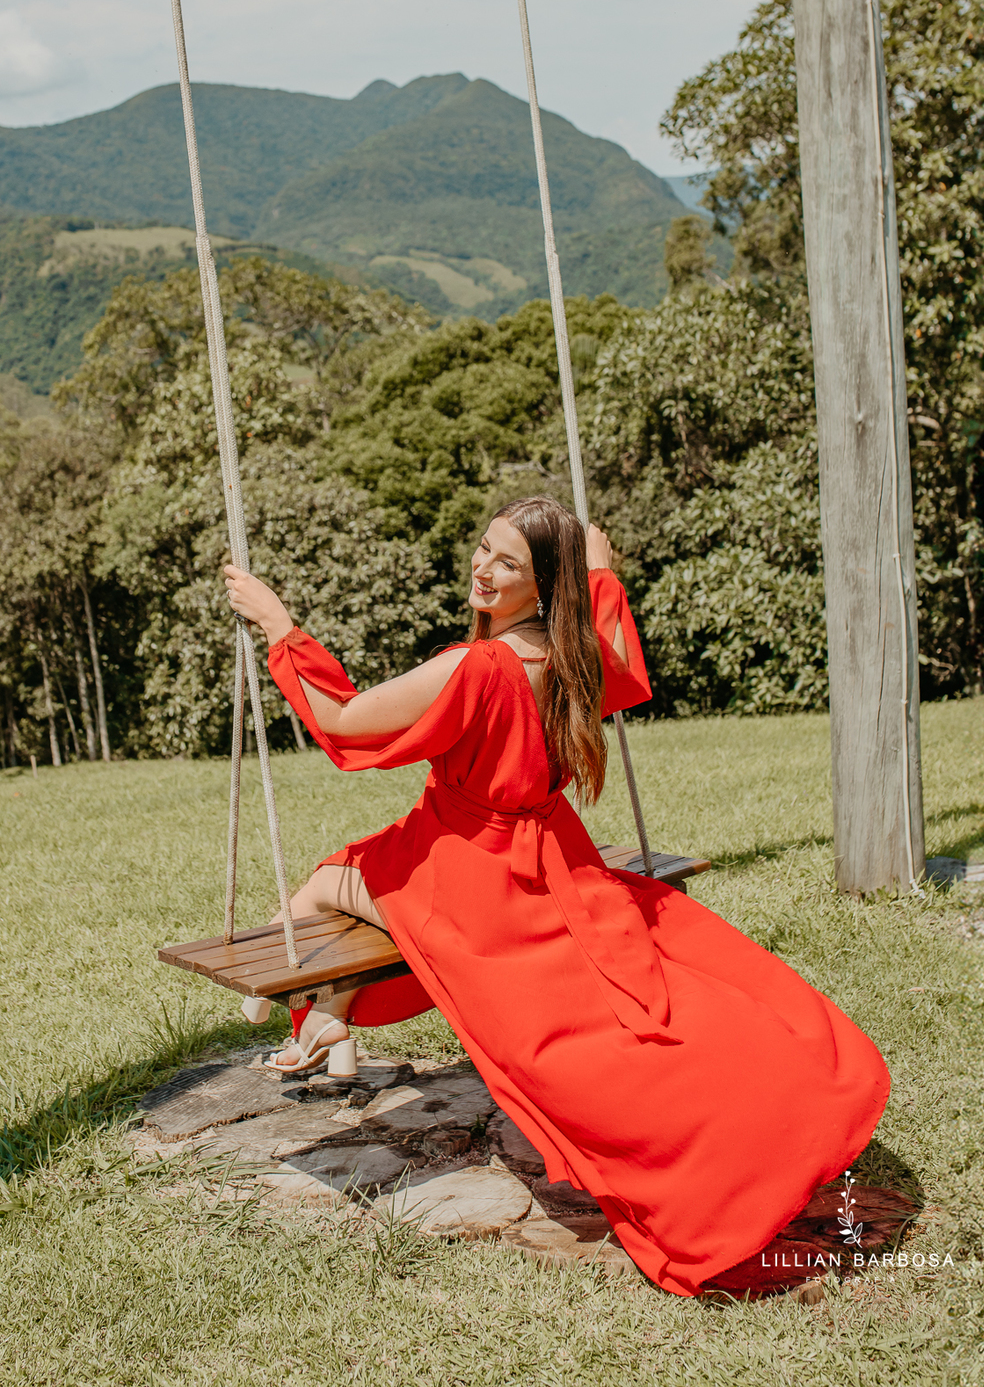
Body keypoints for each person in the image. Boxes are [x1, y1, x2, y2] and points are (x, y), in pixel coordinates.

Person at [223, 495, 890, 1298]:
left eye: (507, 564)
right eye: (483, 548)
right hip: (552, 854)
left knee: (335, 880)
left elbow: (344, 722)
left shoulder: (477, 668)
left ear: (541, 587)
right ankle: (325, 1015)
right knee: (653, 979)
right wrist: (602, 574)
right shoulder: (574, 655)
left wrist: (278, 625)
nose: (483, 568)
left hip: (468, 867)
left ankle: (312, 1010)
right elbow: (625, 663)